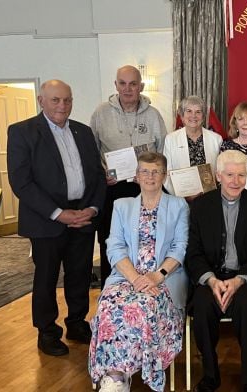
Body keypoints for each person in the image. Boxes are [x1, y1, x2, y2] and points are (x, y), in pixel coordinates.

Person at [7, 80, 106, 356]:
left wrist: (92, 209)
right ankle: (47, 332)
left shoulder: (83, 132)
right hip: (46, 220)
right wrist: (59, 214)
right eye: (55, 100)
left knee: (80, 274)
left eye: (67, 100)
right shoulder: (22, 132)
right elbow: (21, 182)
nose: (62, 105)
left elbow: (98, 176)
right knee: (46, 278)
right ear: (41, 100)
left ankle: (76, 323)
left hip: (83, 216)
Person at [89, 152, 188, 392]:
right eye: (145, 171)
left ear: (164, 175)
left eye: (156, 171)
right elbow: (113, 245)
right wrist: (134, 278)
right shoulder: (122, 206)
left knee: (142, 306)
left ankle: (129, 372)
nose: (150, 176)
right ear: (136, 175)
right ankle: (115, 377)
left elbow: (180, 246)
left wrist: (156, 276)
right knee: (109, 305)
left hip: (164, 278)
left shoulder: (178, 205)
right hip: (126, 276)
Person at [185, 150, 247, 392]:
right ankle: (210, 375)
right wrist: (211, 280)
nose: (236, 181)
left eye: (241, 175)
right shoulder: (201, 206)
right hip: (212, 275)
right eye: (230, 175)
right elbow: (193, 252)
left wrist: (239, 280)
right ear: (218, 176)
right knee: (203, 307)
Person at [90, 65, 167, 288]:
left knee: (144, 242)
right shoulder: (101, 113)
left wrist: (152, 175)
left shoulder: (153, 115)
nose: (127, 89)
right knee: (111, 242)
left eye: (133, 84)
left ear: (141, 87)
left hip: (145, 191)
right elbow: (91, 152)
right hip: (111, 190)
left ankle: (146, 289)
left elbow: (162, 151)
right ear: (115, 85)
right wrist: (102, 172)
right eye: (122, 83)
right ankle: (110, 292)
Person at [163, 96, 223, 197]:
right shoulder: (170, 139)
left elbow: (221, 172)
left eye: (198, 112)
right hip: (180, 198)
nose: (193, 116)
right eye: (189, 111)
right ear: (182, 116)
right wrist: (181, 196)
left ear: (203, 116)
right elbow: (166, 173)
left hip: (210, 197)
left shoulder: (216, 139)